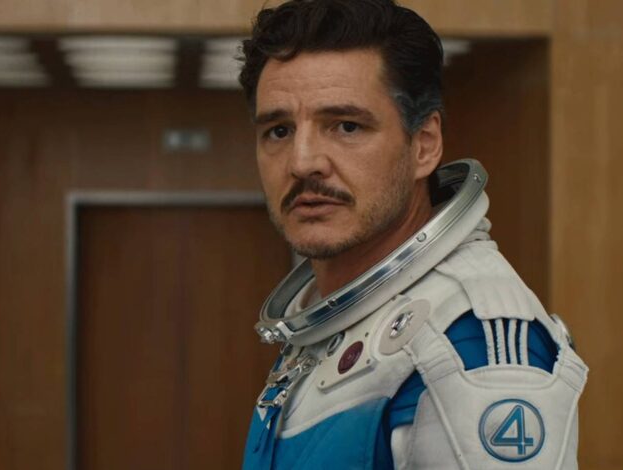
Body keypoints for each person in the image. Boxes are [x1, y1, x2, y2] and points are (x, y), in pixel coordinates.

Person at [238, 0, 588, 468]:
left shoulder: (465, 343)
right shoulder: (329, 323)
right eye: (279, 131)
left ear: (424, 145)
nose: (302, 163)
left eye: (346, 126)